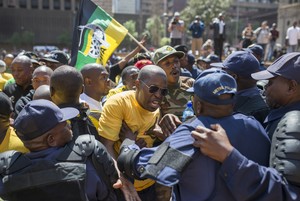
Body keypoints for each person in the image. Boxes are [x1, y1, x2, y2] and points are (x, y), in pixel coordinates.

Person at [117, 69, 271, 201]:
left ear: (197, 104)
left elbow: (140, 165)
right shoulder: (254, 126)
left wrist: (129, 143)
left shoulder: (194, 134)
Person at [192, 52, 300, 201]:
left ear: (291, 87)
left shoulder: (294, 123)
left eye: (271, 82)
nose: (265, 87)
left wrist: (228, 156)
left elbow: (286, 193)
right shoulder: (280, 113)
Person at [0, 99, 140, 201]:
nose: (70, 126)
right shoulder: (88, 155)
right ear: (51, 140)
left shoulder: (8, 170)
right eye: (65, 124)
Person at [98, 65, 168, 201]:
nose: (158, 95)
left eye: (163, 91)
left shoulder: (156, 107)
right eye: (153, 89)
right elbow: (106, 147)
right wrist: (123, 180)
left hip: (150, 182)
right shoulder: (118, 104)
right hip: (123, 187)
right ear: (137, 84)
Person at [212, 51, 270, 125]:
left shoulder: (251, 111)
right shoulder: (263, 99)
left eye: (224, 73)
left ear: (233, 77)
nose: (220, 76)